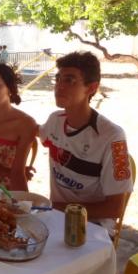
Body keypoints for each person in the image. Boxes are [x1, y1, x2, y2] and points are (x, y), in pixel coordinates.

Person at [38, 51, 133, 230]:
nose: (59, 86)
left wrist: (50, 207)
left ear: (91, 88)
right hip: (56, 219)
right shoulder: (55, 120)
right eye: (58, 79)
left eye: (70, 80)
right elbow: (33, 130)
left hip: (92, 227)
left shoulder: (111, 136)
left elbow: (114, 208)